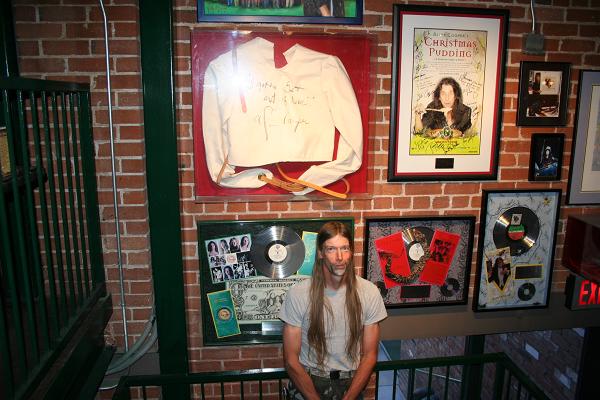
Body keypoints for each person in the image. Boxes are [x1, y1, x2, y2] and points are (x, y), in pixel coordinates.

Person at [279, 222, 387, 400]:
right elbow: (291, 360)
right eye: (331, 249)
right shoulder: (298, 294)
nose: (340, 257)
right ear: (320, 253)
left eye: (345, 248)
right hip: (309, 381)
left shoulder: (369, 292)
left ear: (351, 251)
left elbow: (370, 356)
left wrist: (349, 397)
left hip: (350, 383)